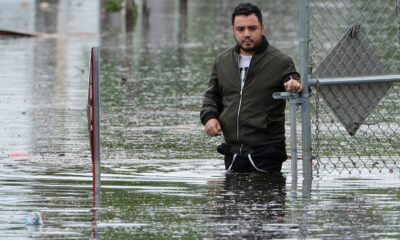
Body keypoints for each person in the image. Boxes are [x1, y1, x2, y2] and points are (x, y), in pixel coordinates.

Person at [200, 3, 303, 173]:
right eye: (241, 29)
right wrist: (209, 118)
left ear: (262, 28)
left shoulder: (280, 61)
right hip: (232, 153)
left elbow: (292, 77)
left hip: (267, 152)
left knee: (266, 197)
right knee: (231, 198)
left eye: (252, 28)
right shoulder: (222, 61)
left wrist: (293, 84)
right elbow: (211, 97)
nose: (246, 34)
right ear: (233, 29)